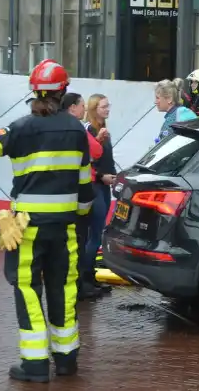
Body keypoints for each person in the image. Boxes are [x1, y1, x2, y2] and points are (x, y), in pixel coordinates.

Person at [0, 59, 93, 383]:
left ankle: (34, 364)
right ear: (64, 91)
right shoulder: (77, 131)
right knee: (65, 288)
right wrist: (81, 216)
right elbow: (85, 185)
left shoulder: (21, 128)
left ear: (35, 92)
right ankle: (66, 359)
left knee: (28, 288)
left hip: (27, 226)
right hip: (64, 228)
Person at [62, 93, 107, 302]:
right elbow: (96, 151)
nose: (83, 110)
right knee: (85, 238)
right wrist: (97, 143)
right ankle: (82, 282)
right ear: (72, 108)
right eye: (81, 106)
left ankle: (81, 281)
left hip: (70, 192)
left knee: (80, 239)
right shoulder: (78, 128)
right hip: (84, 190)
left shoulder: (62, 126)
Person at [82, 94, 116, 298]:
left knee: (96, 233)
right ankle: (85, 278)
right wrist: (102, 176)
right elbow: (88, 159)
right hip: (95, 186)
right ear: (94, 109)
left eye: (108, 105)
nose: (107, 109)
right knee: (94, 234)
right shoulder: (90, 130)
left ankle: (90, 275)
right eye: (104, 106)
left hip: (103, 185)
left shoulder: (102, 130)